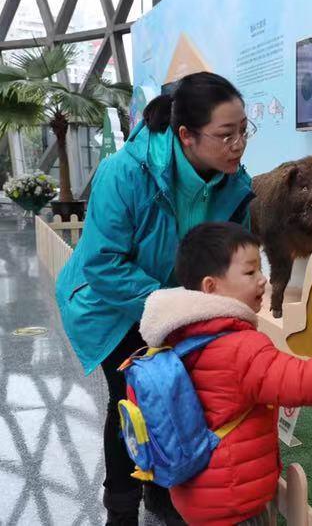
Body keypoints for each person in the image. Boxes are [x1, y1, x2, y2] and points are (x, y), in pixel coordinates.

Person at [56, 72, 256, 525]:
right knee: (133, 396)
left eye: (245, 131)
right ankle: (121, 507)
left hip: (173, 303)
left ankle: (162, 493)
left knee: (178, 391)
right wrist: (176, 304)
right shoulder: (125, 172)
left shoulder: (234, 185)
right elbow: (103, 263)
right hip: (107, 303)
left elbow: (228, 260)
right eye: (226, 134)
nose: (239, 145)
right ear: (186, 135)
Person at [137, 222, 312, 525]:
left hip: (195, 488)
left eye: (261, 269)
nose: (263, 280)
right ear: (211, 286)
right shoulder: (240, 348)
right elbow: (303, 380)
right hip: (232, 500)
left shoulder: (181, 335)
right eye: (250, 272)